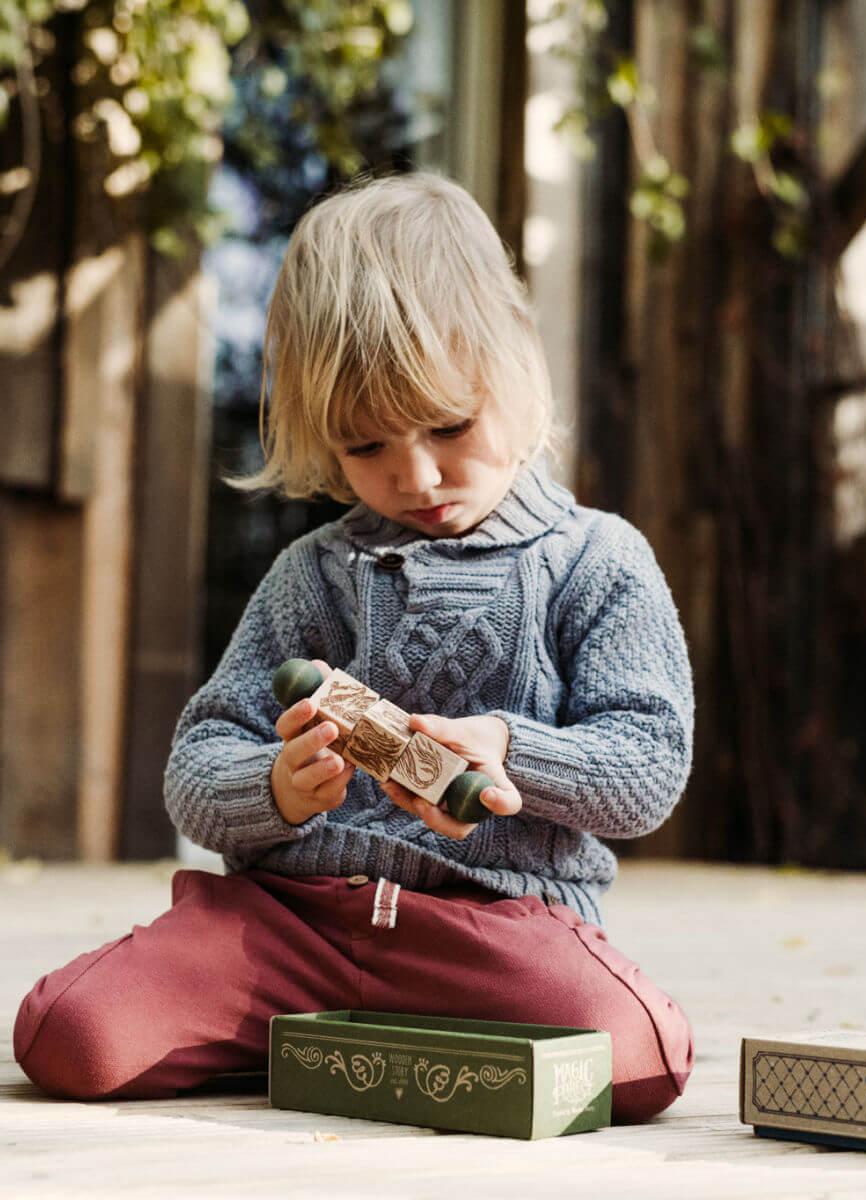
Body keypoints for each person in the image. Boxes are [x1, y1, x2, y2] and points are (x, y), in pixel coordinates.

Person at [13, 173, 695, 1123]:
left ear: (519, 362)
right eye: (365, 447)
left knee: (635, 1058)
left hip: (492, 928)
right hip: (290, 921)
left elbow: (648, 767)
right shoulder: (315, 575)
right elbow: (196, 765)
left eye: (450, 425)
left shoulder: (597, 560)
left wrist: (510, 749)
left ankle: (331, 1040)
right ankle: (342, 1030)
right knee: (68, 1036)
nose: (416, 475)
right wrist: (278, 790)